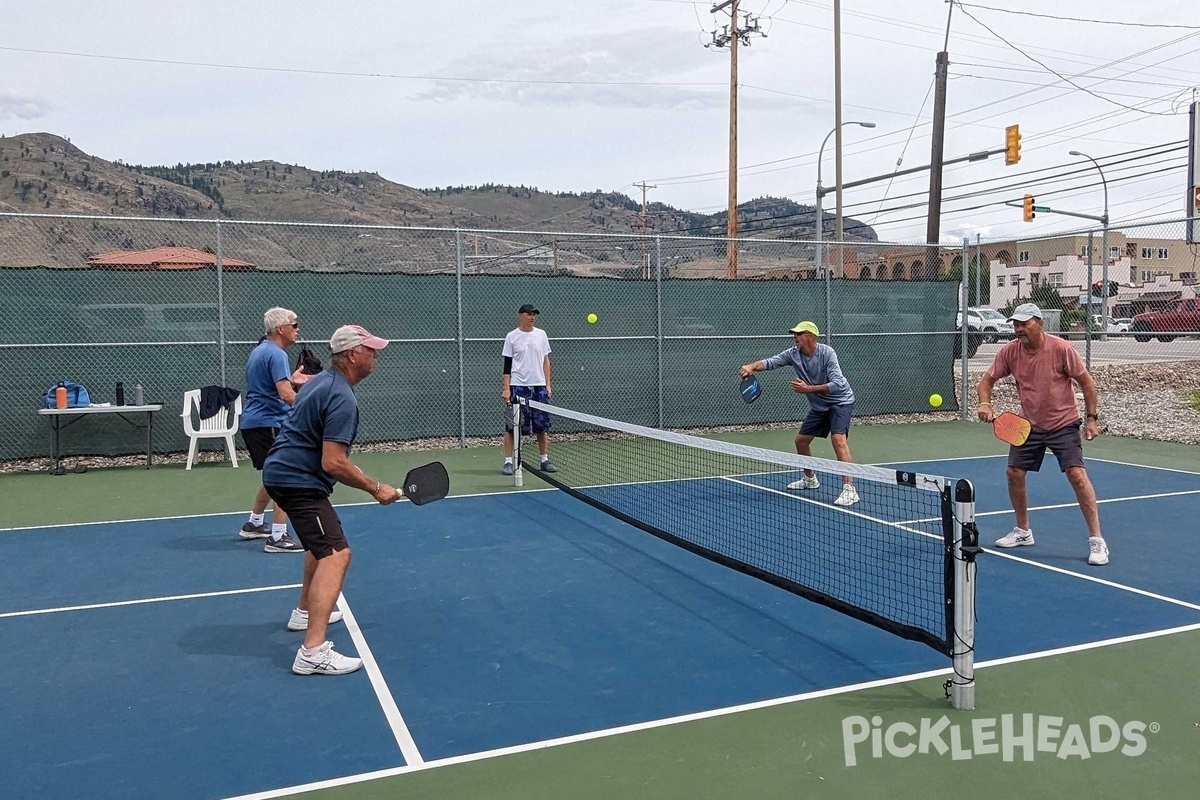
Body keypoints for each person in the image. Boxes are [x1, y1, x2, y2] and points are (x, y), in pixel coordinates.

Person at [262, 324, 402, 675]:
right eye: (371, 349)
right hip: (298, 482)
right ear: (353, 353)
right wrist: (376, 488)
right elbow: (333, 462)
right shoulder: (341, 396)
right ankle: (312, 652)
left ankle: (303, 612)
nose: (376, 355)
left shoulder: (321, 382)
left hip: (281, 475)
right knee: (337, 554)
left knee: (317, 546)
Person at [976, 303, 1109, 566]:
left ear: (1040, 323)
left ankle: (1097, 541)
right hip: (1029, 426)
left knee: (1077, 475)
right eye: (1016, 324)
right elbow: (987, 380)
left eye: (1024, 323)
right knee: (1014, 472)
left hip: (1064, 424)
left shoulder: (1061, 349)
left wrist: (1092, 420)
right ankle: (1023, 531)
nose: (1019, 329)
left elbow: (1087, 383)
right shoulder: (1010, 352)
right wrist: (985, 403)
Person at [739, 320, 859, 507]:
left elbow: (837, 385)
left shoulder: (827, 353)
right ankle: (810, 479)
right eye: (795, 334)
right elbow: (771, 362)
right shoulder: (793, 354)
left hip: (840, 402)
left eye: (799, 334)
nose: (795, 337)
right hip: (819, 406)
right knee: (801, 441)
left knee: (838, 439)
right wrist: (752, 366)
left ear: (810, 337)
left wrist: (808, 389)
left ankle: (849, 489)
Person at [237, 307, 311, 553]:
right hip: (268, 423)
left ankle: (255, 523)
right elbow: (286, 395)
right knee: (286, 478)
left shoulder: (261, 351)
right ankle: (278, 537)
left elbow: (271, 386)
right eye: (294, 324)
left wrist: (292, 379)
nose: (298, 329)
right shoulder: (277, 354)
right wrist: (314, 406)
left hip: (257, 424)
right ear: (281, 329)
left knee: (272, 477)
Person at [501, 303, 556, 475]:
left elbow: (546, 360)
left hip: (538, 387)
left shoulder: (541, 335)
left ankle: (544, 460)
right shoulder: (511, 336)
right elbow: (507, 366)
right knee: (512, 426)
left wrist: (547, 385)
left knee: (542, 426)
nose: (532, 317)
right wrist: (506, 389)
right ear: (521, 315)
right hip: (517, 387)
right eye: (529, 314)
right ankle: (508, 462)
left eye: (534, 314)